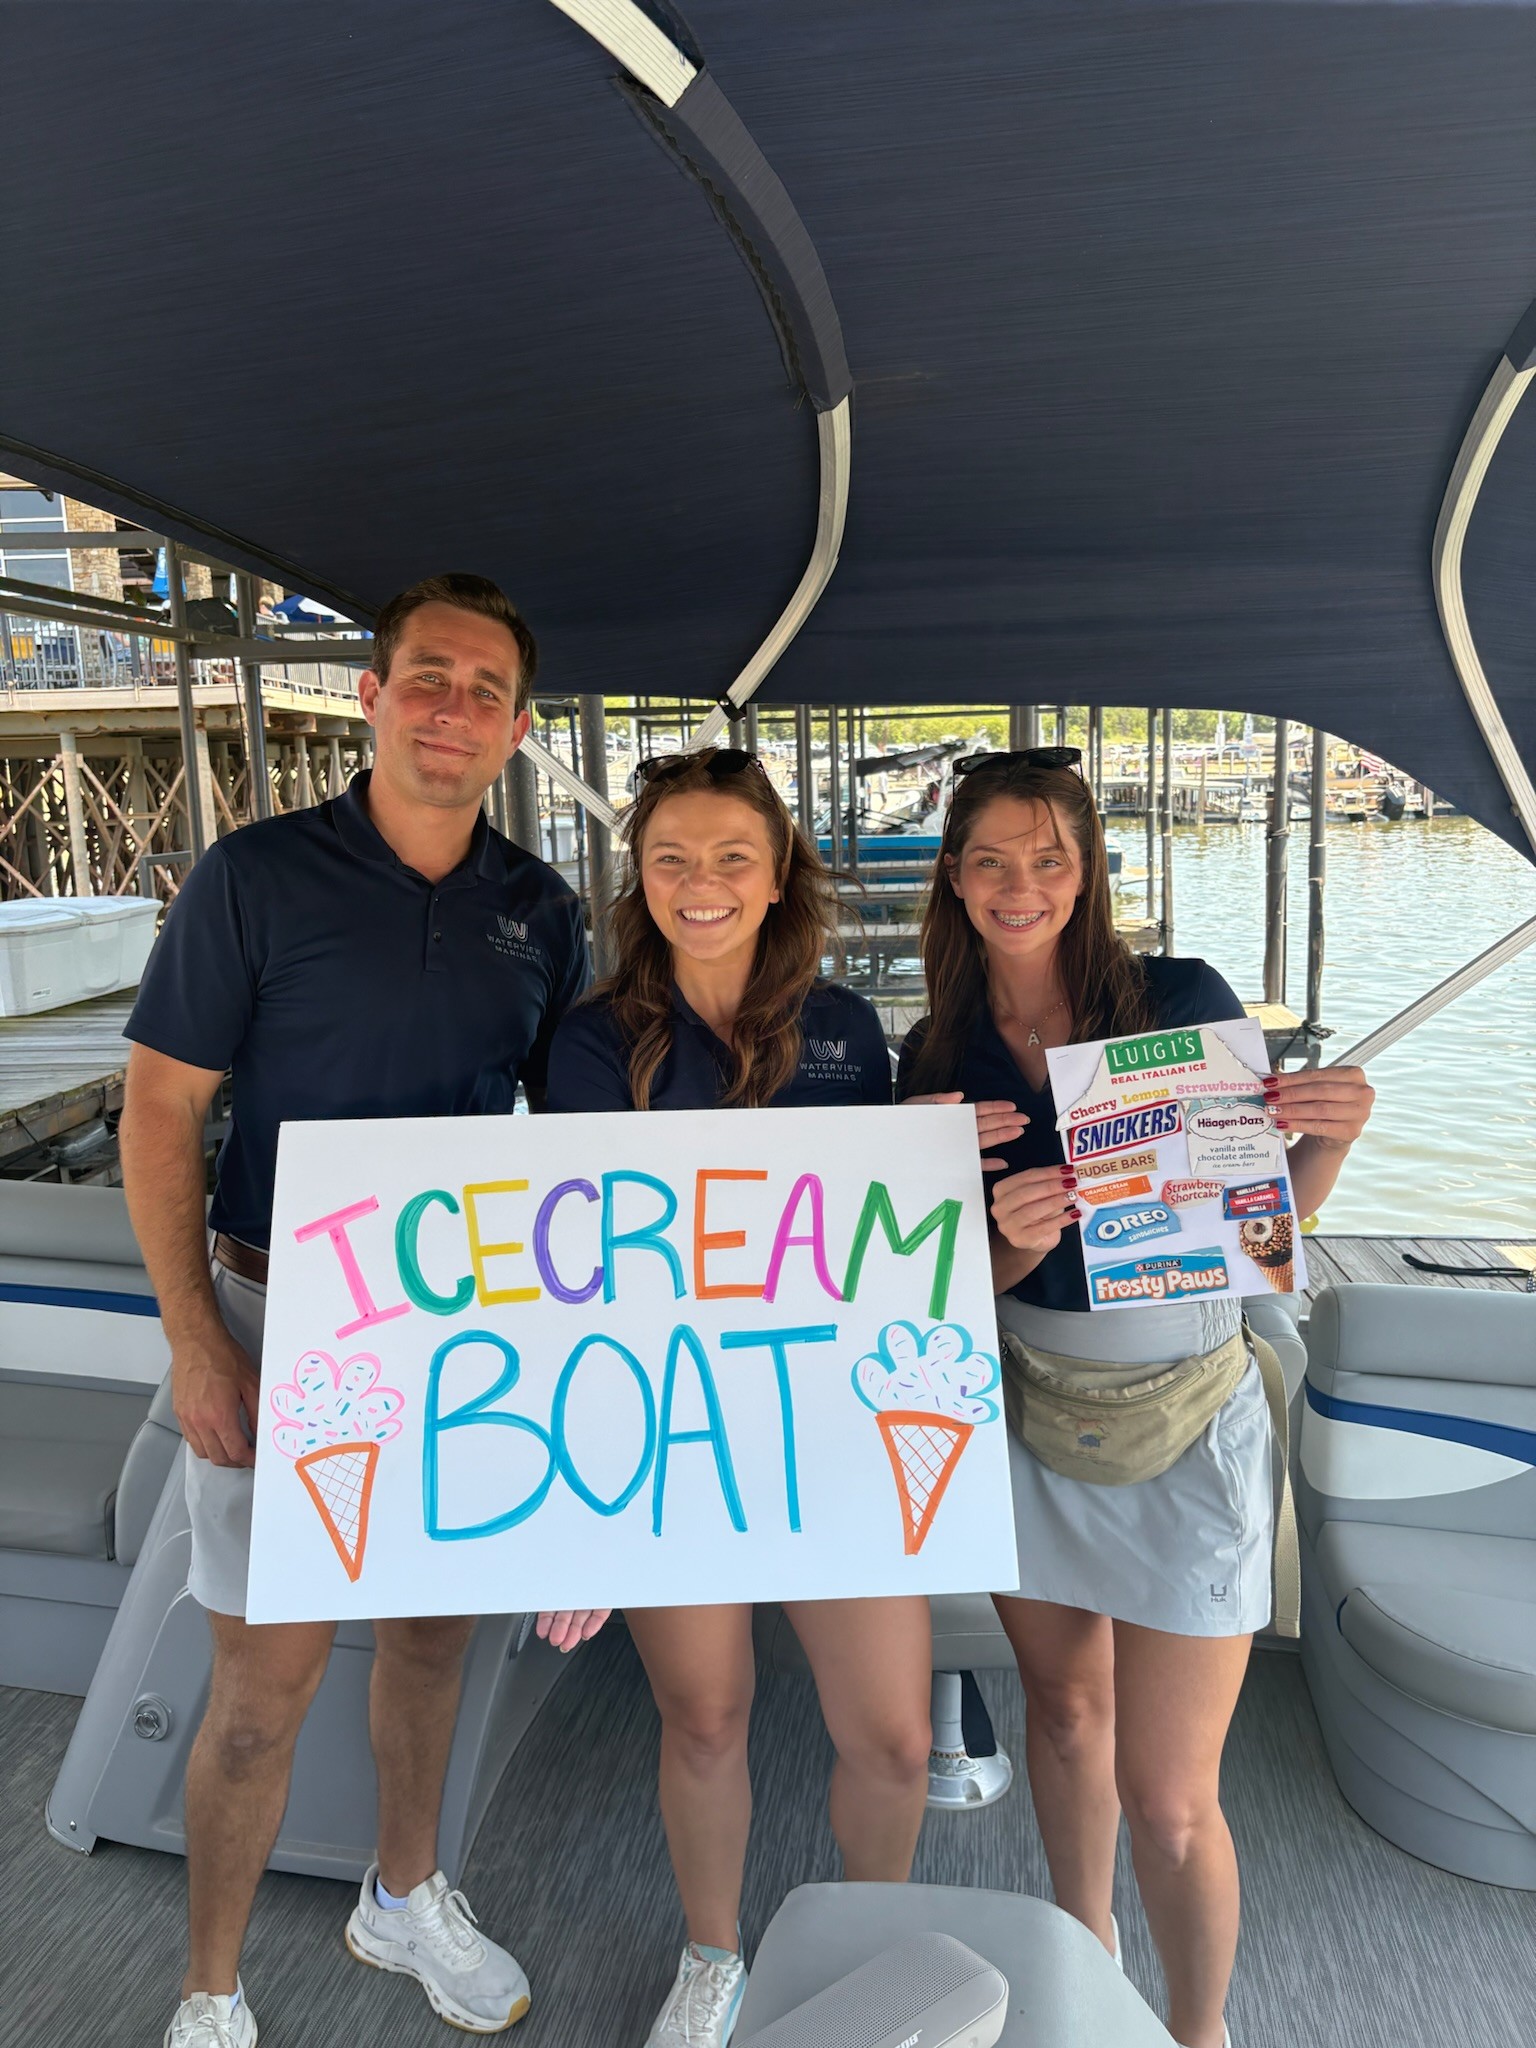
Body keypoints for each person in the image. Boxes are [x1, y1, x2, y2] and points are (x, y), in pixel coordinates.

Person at [122, 573, 599, 2048]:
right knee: (260, 1690)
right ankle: (212, 1990)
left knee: (432, 1642)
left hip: (457, 1338)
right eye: (427, 677)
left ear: (516, 727)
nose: (454, 709)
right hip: (277, 1317)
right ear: (377, 695)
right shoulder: (252, 877)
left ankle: (402, 1897)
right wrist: (197, 1339)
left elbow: (579, 1147)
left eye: (484, 690)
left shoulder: (543, 908)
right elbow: (158, 1111)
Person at [898, 747, 1374, 2048]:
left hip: (1188, 1420)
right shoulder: (933, 1050)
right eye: (990, 857)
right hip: (1024, 1415)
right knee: (1060, 1710)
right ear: (954, 874)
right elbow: (949, 1279)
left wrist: (1332, 1128)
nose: (1020, 883)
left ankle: (1199, 2030)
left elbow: (1265, 1216)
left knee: (1170, 1799)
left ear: (1088, 868)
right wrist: (1000, 1232)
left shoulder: (1177, 998)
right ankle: (1079, 1957)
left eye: (1050, 856)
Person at [547, 747, 934, 2048]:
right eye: (671, 859)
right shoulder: (594, 1044)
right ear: (638, 879)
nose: (700, 885)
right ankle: (710, 1956)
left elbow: (879, 1247)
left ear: (778, 880)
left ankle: (861, 1946)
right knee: (703, 1715)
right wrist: (587, 1503)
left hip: (827, 1429)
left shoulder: (843, 1032)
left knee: (891, 1739)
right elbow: (580, 1276)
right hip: (667, 1429)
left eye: (731, 859)